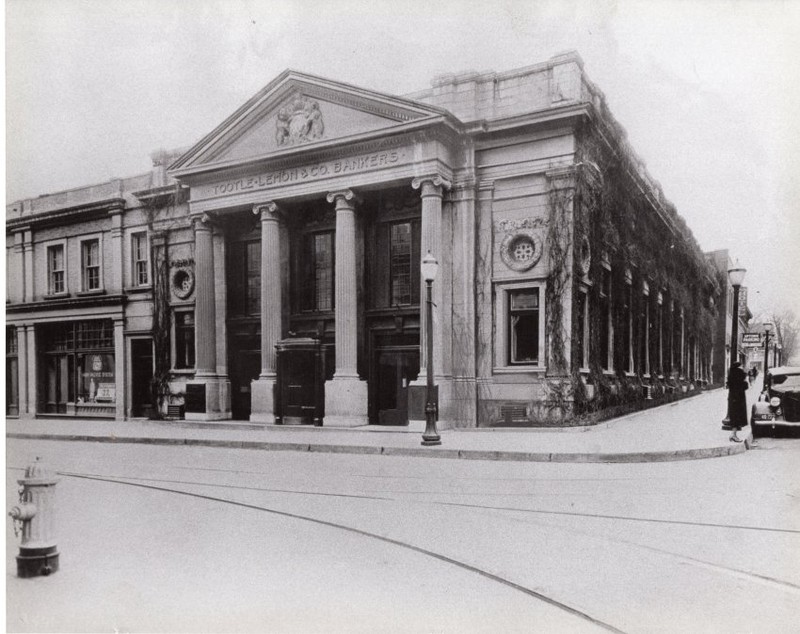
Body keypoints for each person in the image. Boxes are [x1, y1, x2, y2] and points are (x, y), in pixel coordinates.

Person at [727, 362, 749, 442]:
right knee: (737, 418)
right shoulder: (739, 374)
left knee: (734, 417)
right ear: (739, 367)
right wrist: (745, 379)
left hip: (733, 399)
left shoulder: (732, 374)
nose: (743, 367)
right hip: (738, 400)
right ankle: (733, 435)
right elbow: (745, 386)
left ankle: (733, 435)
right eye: (742, 366)